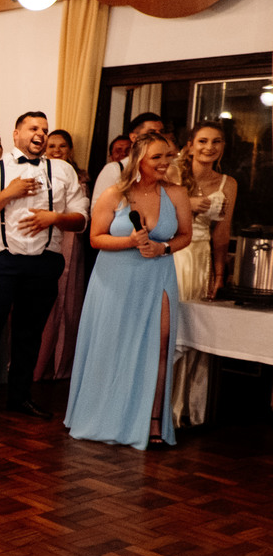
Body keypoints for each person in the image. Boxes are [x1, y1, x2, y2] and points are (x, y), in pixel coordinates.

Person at [0, 111, 89, 424]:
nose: (40, 134)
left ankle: (20, 397)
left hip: (44, 263)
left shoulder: (62, 170)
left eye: (44, 129)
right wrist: (9, 193)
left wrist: (55, 218)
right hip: (0, 262)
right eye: (33, 128)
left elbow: (81, 219)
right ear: (16, 134)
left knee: (29, 334)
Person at [65, 132, 192, 449]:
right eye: (156, 157)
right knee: (110, 345)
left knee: (160, 344)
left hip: (157, 275)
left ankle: (152, 420)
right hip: (114, 279)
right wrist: (130, 241)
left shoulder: (176, 193)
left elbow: (185, 235)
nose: (164, 163)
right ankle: (102, 415)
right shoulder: (114, 194)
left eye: (167, 156)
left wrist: (163, 248)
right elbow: (95, 238)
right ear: (138, 160)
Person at [169, 121, 238, 427]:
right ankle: (160, 407)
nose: (209, 147)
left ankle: (186, 409)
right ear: (190, 145)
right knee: (172, 328)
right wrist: (187, 203)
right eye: (203, 141)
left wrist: (219, 274)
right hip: (173, 254)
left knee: (196, 331)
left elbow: (221, 234)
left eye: (216, 141)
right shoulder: (172, 172)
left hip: (201, 259)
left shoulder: (228, 183)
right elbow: (152, 212)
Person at [34, 128, 90, 381]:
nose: (56, 151)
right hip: (44, 239)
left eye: (62, 146)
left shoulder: (81, 179)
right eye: (51, 146)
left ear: (70, 150)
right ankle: (38, 364)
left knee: (67, 301)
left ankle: (61, 362)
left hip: (71, 240)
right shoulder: (37, 175)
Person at [92, 113, 164, 207]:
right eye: (151, 132)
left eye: (161, 132)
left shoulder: (165, 168)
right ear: (133, 137)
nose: (158, 137)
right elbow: (97, 208)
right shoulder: (115, 169)